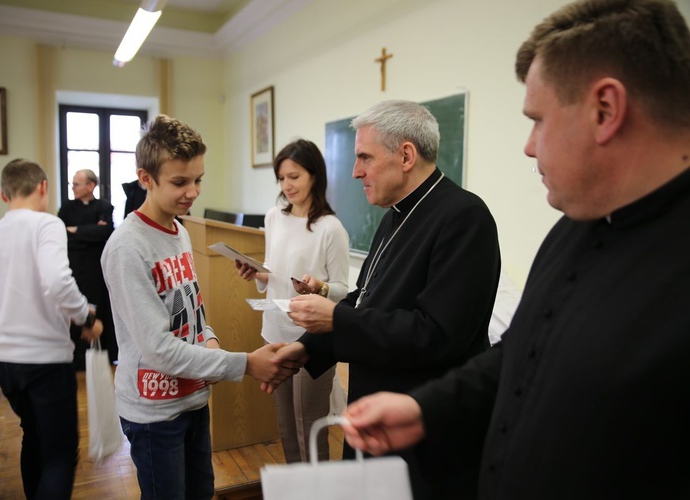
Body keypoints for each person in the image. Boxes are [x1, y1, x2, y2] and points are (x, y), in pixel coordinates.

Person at [342, 0, 690, 498]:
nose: (529, 145)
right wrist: (426, 408)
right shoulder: (573, 228)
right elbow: (521, 352)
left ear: (605, 110)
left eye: (538, 120)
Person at [271, 100, 501, 499]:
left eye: (364, 157)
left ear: (406, 155)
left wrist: (335, 322)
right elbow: (368, 299)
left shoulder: (464, 217)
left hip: (422, 426)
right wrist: (307, 348)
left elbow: (438, 334)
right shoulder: (394, 214)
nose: (356, 170)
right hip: (373, 411)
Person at [101, 114, 298, 499]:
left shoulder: (180, 231)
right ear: (146, 179)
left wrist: (209, 338)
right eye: (179, 182)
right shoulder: (127, 248)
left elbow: (191, 312)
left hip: (193, 397)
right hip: (155, 412)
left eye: (198, 179)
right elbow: (158, 350)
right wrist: (243, 363)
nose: (193, 192)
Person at [0, 158, 103, 499]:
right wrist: (86, 318)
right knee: (60, 454)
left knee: (33, 435)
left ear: (4, 195)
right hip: (43, 360)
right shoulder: (47, 226)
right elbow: (59, 282)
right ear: (43, 187)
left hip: (2, 362)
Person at [236, 139, 350, 463]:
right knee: (286, 425)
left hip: (311, 336)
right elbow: (275, 270)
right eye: (282, 178)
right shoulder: (274, 216)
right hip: (274, 330)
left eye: (295, 176)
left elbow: (344, 288)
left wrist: (321, 287)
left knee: (309, 426)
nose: (287, 185)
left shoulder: (331, 229)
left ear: (314, 175)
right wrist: (257, 273)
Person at [58, 169, 117, 367]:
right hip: (74, 266)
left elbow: (105, 231)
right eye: (73, 184)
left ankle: (103, 355)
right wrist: (89, 232)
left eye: (76, 184)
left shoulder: (104, 206)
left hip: (97, 268)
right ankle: (77, 357)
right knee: (76, 305)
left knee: (98, 306)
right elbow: (61, 233)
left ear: (90, 186)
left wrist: (76, 231)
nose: (73, 187)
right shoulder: (67, 207)